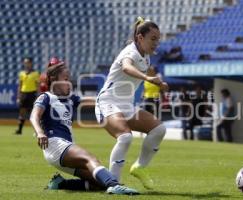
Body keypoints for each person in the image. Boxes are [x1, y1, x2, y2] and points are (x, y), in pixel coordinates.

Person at [30, 60, 138, 195]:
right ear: (53, 80)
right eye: (66, 79)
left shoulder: (71, 99)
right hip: (55, 145)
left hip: (63, 150)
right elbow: (34, 116)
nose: (69, 82)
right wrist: (40, 132)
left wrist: (112, 103)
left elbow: (95, 102)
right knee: (90, 159)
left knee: (98, 183)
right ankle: (114, 185)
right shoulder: (46, 97)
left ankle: (60, 183)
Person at [95, 17, 168, 190]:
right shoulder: (130, 52)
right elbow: (127, 67)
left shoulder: (145, 56)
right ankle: (113, 183)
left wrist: (159, 82)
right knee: (125, 137)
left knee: (159, 129)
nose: (156, 43)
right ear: (140, 38)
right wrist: (147, 78)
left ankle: (140, 167)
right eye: (153, 39)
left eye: (158, 39)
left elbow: (144, 67)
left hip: (126, 105)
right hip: (107, 102)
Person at [15, 57, 40, 134]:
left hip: (32, 94)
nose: (26, 64)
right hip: (23, 94)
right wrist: (18, 97)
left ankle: (37, 131)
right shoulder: (21, 73)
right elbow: (20, 85)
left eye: (28, 62)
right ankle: (19, 130)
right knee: (22, 112)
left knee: (34, 113)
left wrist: (38, 96)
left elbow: (38, 85)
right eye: (25, 62)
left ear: (31, 63)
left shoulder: (36, 73)